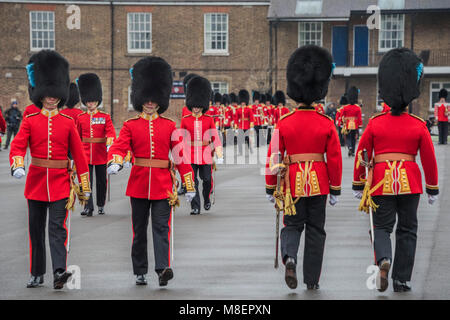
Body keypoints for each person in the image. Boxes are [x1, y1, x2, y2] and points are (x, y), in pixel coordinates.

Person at [352, 48, 439, 293]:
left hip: (381, 182)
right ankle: (401, 279)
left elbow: (362, 154)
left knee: (381, 227)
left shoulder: (376, 124)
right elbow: (429, 159)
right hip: (410, 183)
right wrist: (432, 188)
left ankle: (383, 260)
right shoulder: (419, 125)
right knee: (408, 230)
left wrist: (358, 183)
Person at [107, 56, 196, 286]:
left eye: (153, 99)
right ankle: (139, 270)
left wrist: (189, 182)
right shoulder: (130, 125)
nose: (149, 103)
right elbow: (120, 145)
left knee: (161, 228)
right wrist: (115, 160)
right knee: (139, 231)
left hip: (163, 186)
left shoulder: (168, 126)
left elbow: (179, 156)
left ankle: (162, 269)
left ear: (160, 99)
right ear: (140, 98)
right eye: (146, 99)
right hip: (138, 185)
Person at [9, 50, 91, 289]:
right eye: (47, 94)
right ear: (40, 93)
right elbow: (17, 145)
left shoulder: (67, 122)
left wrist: (84, 188)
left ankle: (58, 271)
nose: (51, 98)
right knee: (36, 231)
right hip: (35, 183)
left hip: (60, 183)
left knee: (57, 229)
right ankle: (36, 274)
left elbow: (79, 155)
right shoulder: (30, 119)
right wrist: (17, 164)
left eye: (55, 94)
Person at [265, 45, 342, 290]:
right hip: (319, 183)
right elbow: (335, 158)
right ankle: (312, 280)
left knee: (292, 225)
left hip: (292, 184)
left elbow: (274, 155)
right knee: (316, 231)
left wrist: (270, 186)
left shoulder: (284, 122)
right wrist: (336, 188)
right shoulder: (326, 123)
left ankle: (290, 257)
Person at [180, 76, 224, 215]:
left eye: (199, 106)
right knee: (192, 181)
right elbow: (181, 138)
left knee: (206, 180)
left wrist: (219, 153)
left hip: (205, 154)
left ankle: (206, 198)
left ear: (203, 106)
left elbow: (215, 137)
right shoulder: (185, 120)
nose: (197, 108)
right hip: (190, 154)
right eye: (194, 105)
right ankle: (195, 206)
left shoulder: (208, 120)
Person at [76, 73, 116, 216]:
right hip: (85, 154)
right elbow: (77, 136)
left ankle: (100, 204)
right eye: (88, 101)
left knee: (101, 182)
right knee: (86, 181)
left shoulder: (104, 117)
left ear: (97, 101)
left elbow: (110, 132)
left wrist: (110, 144)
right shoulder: (80, 118)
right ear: (85, 102)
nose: (91, 103)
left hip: (100, 154)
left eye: (93, 101)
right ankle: (88, 206)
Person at [341, 87, 362, 157]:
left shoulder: (345, 107)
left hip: (347, 124)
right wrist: (360, 125)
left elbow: (342, 116)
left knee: (348, 137)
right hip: (355, 124)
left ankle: (349, 147)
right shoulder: (358, 108)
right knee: (354, 138)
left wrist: (342, 123)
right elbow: (359, 118)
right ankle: (353, 151)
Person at [234, 89, 255, 155]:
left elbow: (251, 118)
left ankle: (250, 148)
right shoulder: (238, 110)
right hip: (240, 126)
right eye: (242, 101)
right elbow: (236, 119)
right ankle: (240, 152)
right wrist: (236, 128)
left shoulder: (248, 109)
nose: (243, 103)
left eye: (244, 101)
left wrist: (251, 127)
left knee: (247, 138)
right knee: (239, 140)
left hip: (247, 125)